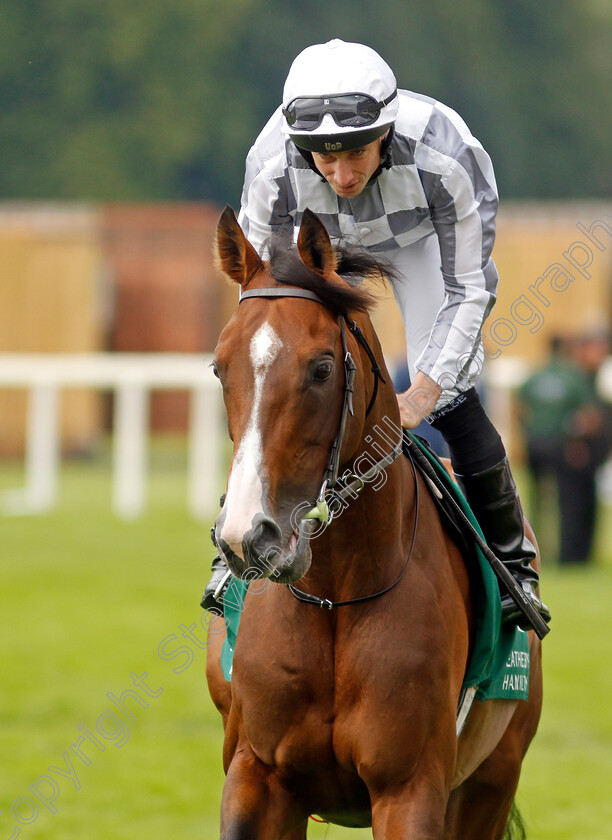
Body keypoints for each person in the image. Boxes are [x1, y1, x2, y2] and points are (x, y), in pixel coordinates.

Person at [203, 39, 550, 629]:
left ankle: (514, 567)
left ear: (386, 131)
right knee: (275, 383)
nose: (340, 174)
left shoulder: (449, 156)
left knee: (457, 398)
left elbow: (469, 288)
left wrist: (428, 387)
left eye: (356, 153)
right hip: (315, 242)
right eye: (322, 159)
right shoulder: (270, 165)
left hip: (421, 244)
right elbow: (258, 293)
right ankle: (232, 543)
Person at [518, 334, 602, 565]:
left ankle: (533, 551)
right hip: (562, 446)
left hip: (535, 444)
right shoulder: (573, 377)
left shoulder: (534, 376)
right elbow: (589, 417)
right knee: (566, 502)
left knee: (536, 500)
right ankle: (566, 555)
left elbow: (520, 410)